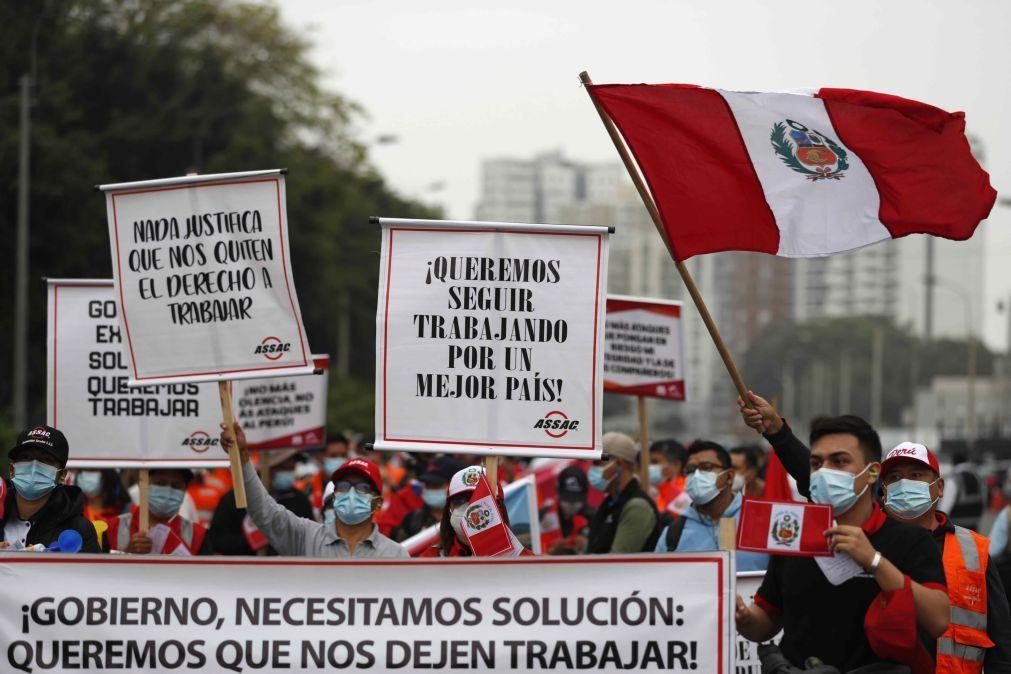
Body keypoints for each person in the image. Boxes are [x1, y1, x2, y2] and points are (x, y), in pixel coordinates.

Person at [734, 407, 950, 670]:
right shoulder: (793, 537)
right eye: (816, 463)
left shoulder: (910, 541)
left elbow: (938, 620)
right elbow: (767, 620)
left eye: (839, 462)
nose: (825, 472)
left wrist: (875, 562)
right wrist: (744, 618)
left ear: (872, 473)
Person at [879, 442, 1011, 672]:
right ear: (884, 490)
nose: (904, 484)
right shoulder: (867, 547)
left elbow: (1002, 641)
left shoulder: (973, 550)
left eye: (916, 475)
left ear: (939, 487)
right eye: (895, 477)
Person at [220, 422, 408, 558]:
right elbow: (264, 510)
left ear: (378, 502)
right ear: (334, 497)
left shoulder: (395, 555)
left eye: (362, 487)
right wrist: (242, 458)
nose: (351, 493)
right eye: (343, 486)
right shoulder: (305, 537)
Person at [655, 441, 769, 572]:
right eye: (690, 470)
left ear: (729, 477)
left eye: (706, 467)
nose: (696, 476)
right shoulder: (672, 535)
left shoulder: (763, 522)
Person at [1, 425, 100, 552]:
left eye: (45, 460)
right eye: (25, 457)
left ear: (62, 475)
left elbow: (92, 571)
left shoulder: (78, 530)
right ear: (12, 469)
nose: (34, 466)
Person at [209, 449, 313, 555]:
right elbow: (217, 541)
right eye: (283, 468)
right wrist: (251, 540)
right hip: (245, 568)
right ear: (268, 468)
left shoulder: (299, 500)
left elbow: (309, 540)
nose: (289, 473)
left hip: (287, 569)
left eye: (291, 468)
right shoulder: (237, 498)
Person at [419, 465, 529, 557]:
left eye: (480, 500)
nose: (470, 509)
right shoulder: (431, 560)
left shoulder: (520, 559)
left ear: (499, 508)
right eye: (460, 501)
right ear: (449, 510)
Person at [106, 468, 210, 555]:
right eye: (160, 483)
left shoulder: (198, 536)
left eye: (176, 486)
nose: (168, 490)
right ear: (142, 484)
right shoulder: (113, 527)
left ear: (185, 491)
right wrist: (126, 554)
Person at [586, 432, 659, 554]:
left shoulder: (637, 507)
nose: (592, 468)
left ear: (618, 464)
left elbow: (616, 563)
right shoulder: (609, 503)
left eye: (598, 462)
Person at [378, 455, 464, 541]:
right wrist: (402, 533)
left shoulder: (466, 516)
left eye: (436, 485)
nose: (430, 489)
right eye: (427, 484)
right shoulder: (412, 514)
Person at [546, 465, 595, 555]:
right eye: (567, 500)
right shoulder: (545, 517)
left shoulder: (595, 518)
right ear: (558, 493)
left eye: (576, 501)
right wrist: (552, 552)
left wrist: (588, 545)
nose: (571, 506)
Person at [940, 452, 986, 532]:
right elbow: (984, 498)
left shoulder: (954, 479)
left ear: (953, 463)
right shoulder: (977, 477)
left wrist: (939, 521)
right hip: (975, 523)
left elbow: (946, 505)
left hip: (957, 525)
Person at [648, 439, 687, 513]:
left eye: (655, 462)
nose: (649, 467)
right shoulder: (654, 488)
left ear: (676, 465)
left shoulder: (687, 491)